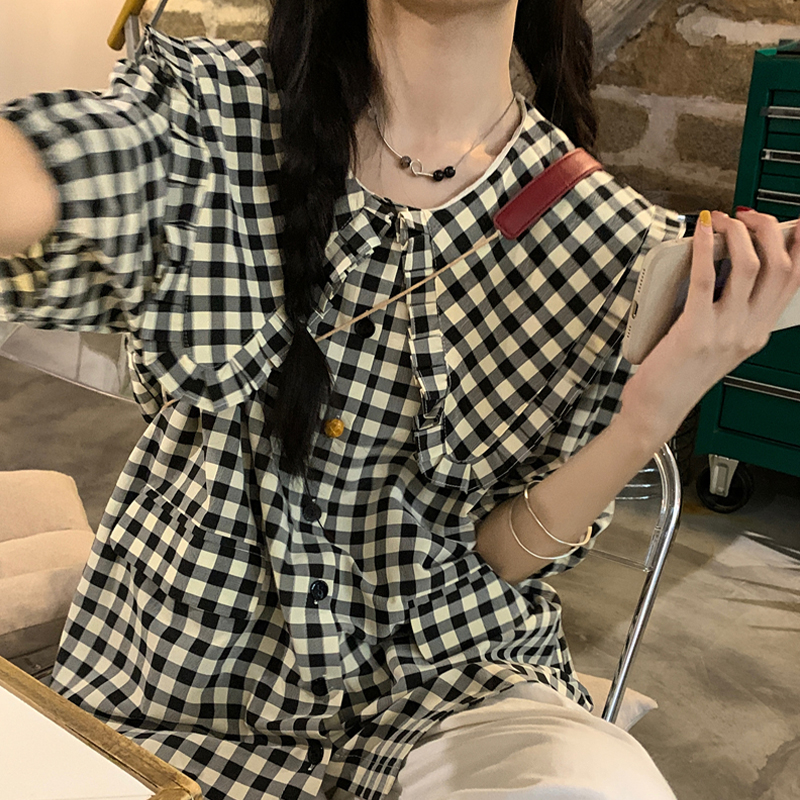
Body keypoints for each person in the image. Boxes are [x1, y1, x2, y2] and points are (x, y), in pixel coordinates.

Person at [1, 1, 798, 798]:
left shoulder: (605, 237)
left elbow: (503, 557)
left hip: (448, 682)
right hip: (175, 687)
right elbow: (51, 170)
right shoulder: (212, 120)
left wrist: (648, 418)